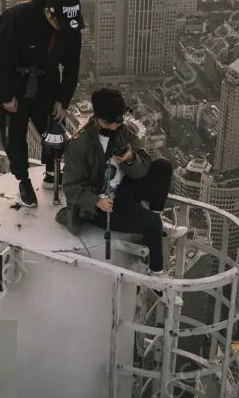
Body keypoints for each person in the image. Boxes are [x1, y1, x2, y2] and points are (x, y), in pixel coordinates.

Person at [0, 0, 84, 208]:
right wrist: (7, 96)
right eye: (60, 25)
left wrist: (62, 100)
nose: (65, 30)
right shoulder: (16, 18)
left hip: (46, 83)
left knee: (54, 128)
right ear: (48, 12)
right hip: (13, 82)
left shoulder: (70, 26)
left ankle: (51, 171)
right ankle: (23, 180)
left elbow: (72, 66)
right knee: (14, 132)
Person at [62, 87, 183, 275]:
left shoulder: (122, 131)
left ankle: (157, 218)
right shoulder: (79, 144)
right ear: (96, 117)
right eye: (107, 122)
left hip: (124, 187)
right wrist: (96, 202)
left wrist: (130, 159)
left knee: (163, 167)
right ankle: (156, 273)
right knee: (151, 224)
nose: (112, 127)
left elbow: (142, 168)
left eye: (116, 121)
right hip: (103, 205)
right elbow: (70, 186)